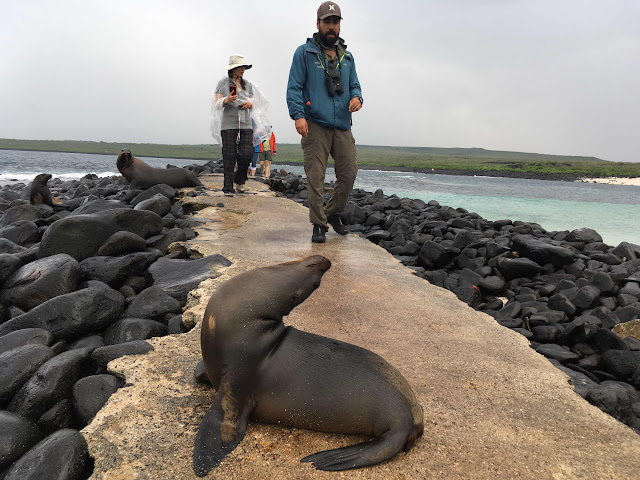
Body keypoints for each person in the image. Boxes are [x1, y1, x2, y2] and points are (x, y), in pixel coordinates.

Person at [286, 1, 363, 243]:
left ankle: (333, 213)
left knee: (349, 173)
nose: (331, 27)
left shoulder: (348, 57)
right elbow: (294, 87)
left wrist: (358, 98)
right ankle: (319, 224)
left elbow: (356, 87)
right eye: (327, 22)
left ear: (339, 26)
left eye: (335, 22)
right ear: (318, 23)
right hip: (314, 123)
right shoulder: (304, 52)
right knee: (316, 176)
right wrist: (298, 115)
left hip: (342, 124)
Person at [213, 54, 256, 196]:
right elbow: (216, 103)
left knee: (247, 154)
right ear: (233, 69)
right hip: (228, 123)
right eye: (240, 67)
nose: (243, 69)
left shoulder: (248, 84)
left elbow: (254, 101)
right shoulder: (223, 83)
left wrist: (250, 104)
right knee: (229, 155)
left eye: (244, 67)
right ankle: (228, 188)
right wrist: (226, 100)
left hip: (245, 123)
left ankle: (240, 179)